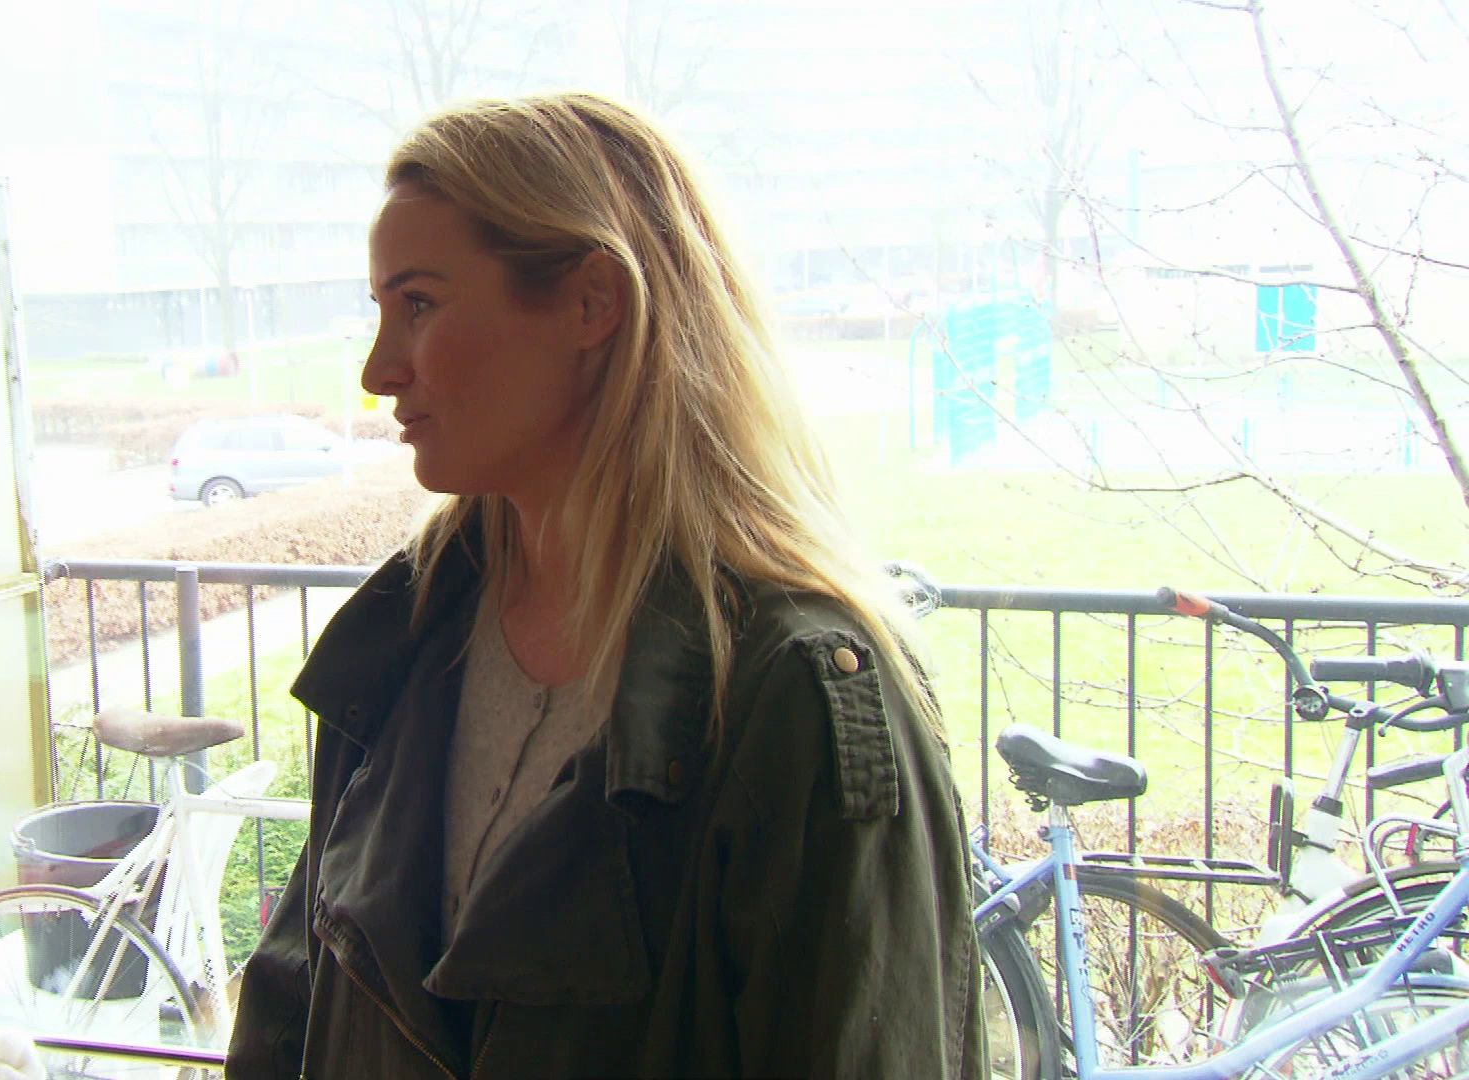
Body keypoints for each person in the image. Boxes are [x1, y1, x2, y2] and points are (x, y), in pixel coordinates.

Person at [225, 92, 984, 1079]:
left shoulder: (801, 698)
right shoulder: (401, 634)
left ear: (592, 302)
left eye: (419, 304)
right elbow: (293, 1008)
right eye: (380, 311)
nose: (378, 372)